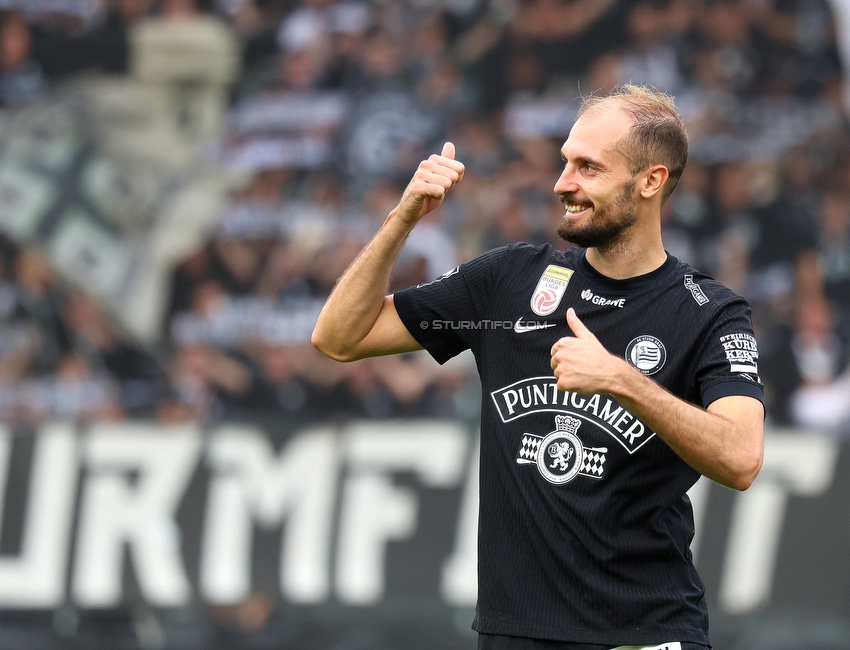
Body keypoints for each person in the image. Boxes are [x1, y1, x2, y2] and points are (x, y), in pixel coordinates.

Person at [312, 84, 765, 650]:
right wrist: (403, 220)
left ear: (650, 181)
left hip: (644, 634)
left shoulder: (709, 312)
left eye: (588, 167)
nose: (562, 183)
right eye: (565, 162)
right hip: (514, 633)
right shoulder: (508, 280)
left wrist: (621, 379)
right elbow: (339, 337)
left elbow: (741, 459)